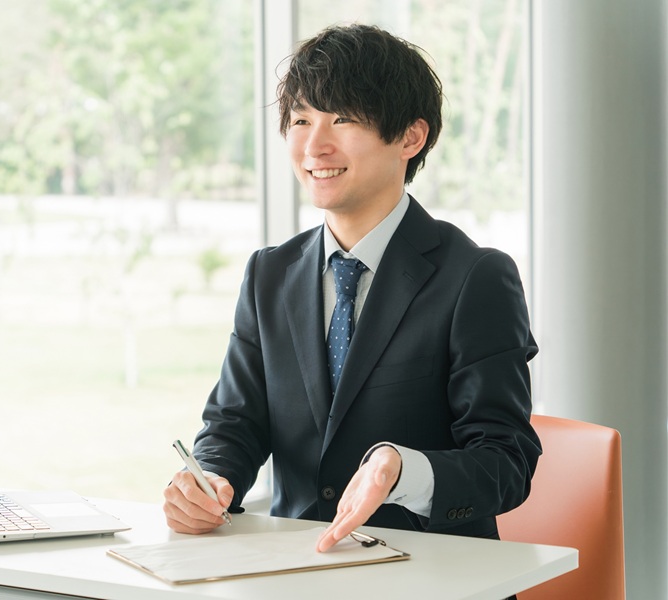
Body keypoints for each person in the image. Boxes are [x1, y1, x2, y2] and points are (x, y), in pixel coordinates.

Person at [162, 23, 540, 553]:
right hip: (296, 571)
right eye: (301, 120)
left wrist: (403, 469)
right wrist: (207, 482)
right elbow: (234, 425)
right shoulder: (269, 273)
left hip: (430, 573)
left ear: (411, 137)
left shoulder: (475, 277)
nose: (315, 145)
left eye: (342, 119)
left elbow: (506, 460)